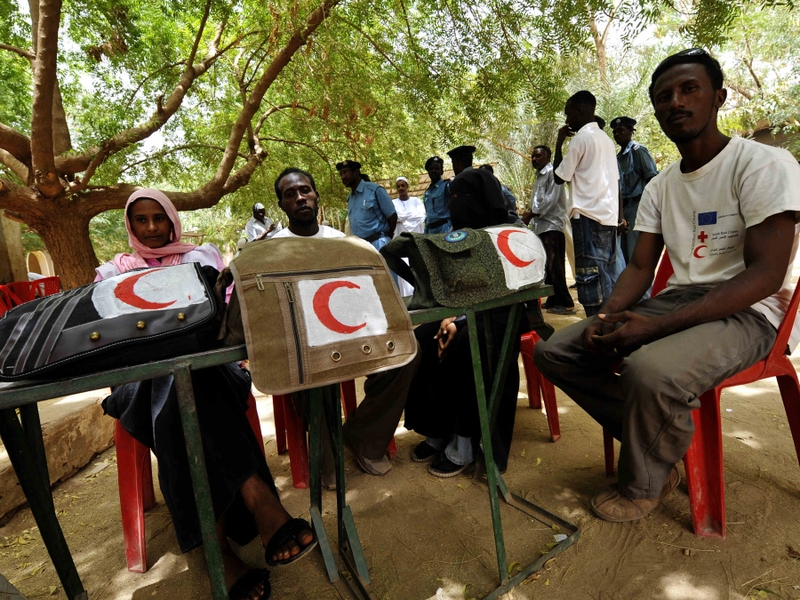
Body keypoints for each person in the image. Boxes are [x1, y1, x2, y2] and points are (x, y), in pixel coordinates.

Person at [534, 49, 800, 523]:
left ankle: (642, 485)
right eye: (663, 97)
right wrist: (607, 315)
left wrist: (653, 328)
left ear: (718, 97)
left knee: (650, 371)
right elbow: (638, 267)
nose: (675, 102)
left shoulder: (763, 164)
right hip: (683, 299)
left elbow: (765, 276)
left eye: (688, 89)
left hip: (753, 312)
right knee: (558, 352)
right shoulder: (660, 185)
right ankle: (665, 434)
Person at [98, 189, 316, 600]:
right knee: (173, 382)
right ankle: (257, 496)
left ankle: (214, 550)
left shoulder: (200, 260)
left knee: (189, 377)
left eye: (158, 218)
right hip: (138, 383)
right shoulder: (112, 273)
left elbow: (224, 319)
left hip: (211, 370)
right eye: (141, 220)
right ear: (130, 225)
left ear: (172, 220)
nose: (151, 228)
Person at [553, 90, 623, 316]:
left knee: (592, 281)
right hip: (607, 218)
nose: (567, 120)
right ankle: (612, 327)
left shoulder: (581, 139)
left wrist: (559, 142)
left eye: (568, 114)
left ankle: (598, 330)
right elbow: (616, 182)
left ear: (580, 111)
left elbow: (558, 176)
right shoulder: (606, 140)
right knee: (608, 278)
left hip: (587, 219)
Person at [523, 145, 574, 315]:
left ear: (548, 157)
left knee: (555, 264)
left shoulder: (553, 173)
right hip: (543, 226)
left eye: (538, 156)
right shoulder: (540, 176)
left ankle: (566, 302)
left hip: (552, 224)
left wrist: (531, 214)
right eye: (533, 156)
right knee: (548, 265)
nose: (535, 159)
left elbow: (550, 200)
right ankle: (553, 298)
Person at [611, 116, 659, 264]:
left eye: (621, 130)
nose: (617, 134)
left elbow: (652, 178)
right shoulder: (618, 157)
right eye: (615, 131)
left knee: (636, 253)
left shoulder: (638, 151)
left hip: (638, 206)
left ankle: (645, 288)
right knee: (623, 254)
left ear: (631, 131)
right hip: (624, 208)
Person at [336, 159, 397, 251]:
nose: (343, 177)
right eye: (341, 174)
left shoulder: (375, 190)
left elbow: (392, 215)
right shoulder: (350, 198)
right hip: (361, 248)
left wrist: (388, 236)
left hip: (379, 245)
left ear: (356, 172)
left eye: (345, 172)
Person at [271, 168, 345, 239]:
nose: (300, 198)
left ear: (317, 197)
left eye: (305, 190)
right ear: (281, 206)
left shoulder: (341, 240)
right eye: (290, 194)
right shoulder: (272, 248)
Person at [391, 176, 426, 296]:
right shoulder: (393, 203)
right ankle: (407, 296)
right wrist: (408, 216)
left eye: (403, 185)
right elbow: (395, 216)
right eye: (398, 186)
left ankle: (421, 294)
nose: (401, 188)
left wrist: (403, 218)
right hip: (401, 241)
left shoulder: (416, 201)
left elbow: (420, 216)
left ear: (407, 187)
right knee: (404, 267)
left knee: (418, 265)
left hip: (416, 240)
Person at [422, 156, 451, 233]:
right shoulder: (427, 192)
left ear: (442, 171)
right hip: (430, 230)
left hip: (444, 228)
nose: (433, 171)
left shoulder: (446, 186)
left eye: (437, 169)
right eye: (431, 169)